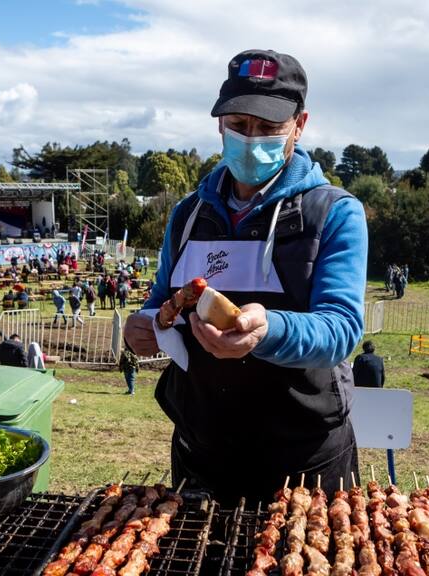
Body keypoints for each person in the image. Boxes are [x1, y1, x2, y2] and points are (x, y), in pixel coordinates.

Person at [123, 49, 368, 505]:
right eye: (238, 125)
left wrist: (270, 329)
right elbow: (163, 299)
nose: (251, 140)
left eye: (269, 127)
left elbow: (341, 329)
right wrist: (145, 324)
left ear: (299, 124)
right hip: (202, 448)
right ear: (219, 125)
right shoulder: (188, 214)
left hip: (304, 459)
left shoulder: (333, 213)